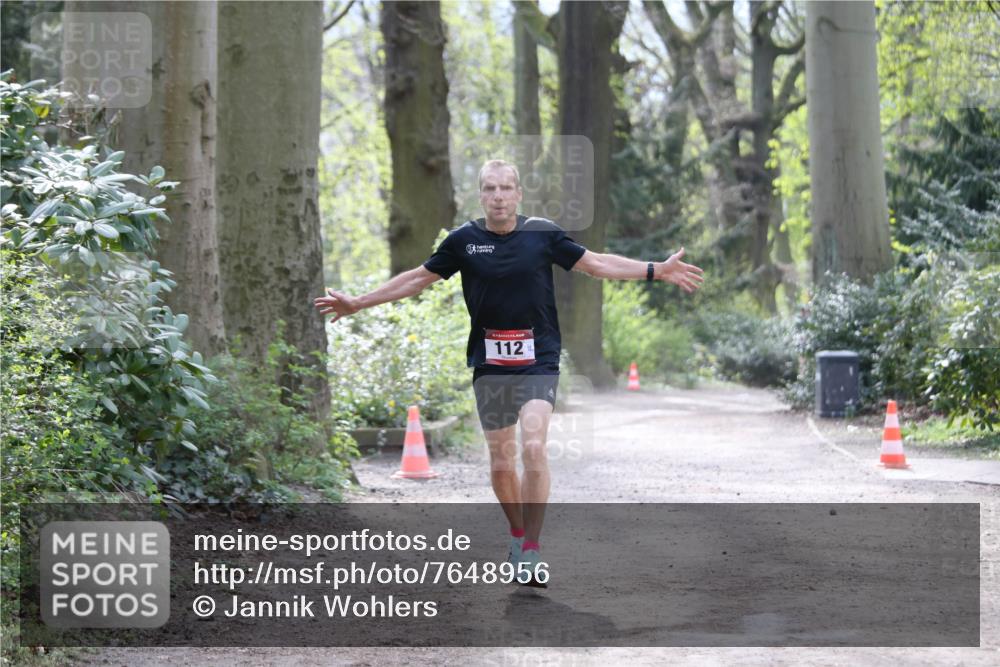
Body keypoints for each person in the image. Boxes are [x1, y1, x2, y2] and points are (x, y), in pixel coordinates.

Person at [314, 159, 704, 587]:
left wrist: (656, 270)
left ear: (518, 194)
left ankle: (532, 550)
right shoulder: (463, 240)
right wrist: (358, 303)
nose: (498, 196)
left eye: (505, 188)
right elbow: (415, 280)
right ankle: (517, 536)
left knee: (533, 446)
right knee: (502, 461)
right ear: (480, 195)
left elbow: (597, 264)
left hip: (539, 358)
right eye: (489, 189)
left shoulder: (543, 234)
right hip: (490, 363)